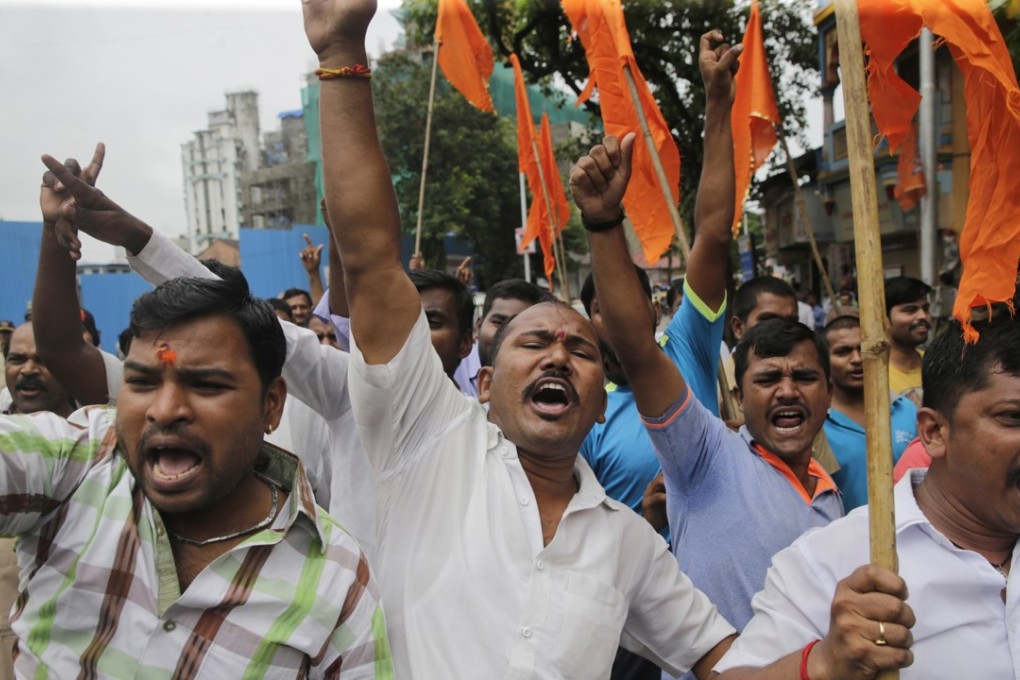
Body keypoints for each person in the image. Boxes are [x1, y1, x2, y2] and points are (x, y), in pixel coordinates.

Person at [302, 2, 738, 677]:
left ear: (600, 406)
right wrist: (340, 55)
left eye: (581, 350)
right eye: (533, 344)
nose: (560, 352)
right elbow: (368, 258)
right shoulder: (429, 439)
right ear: (481, 383)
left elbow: (722, 657)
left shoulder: (629, 544)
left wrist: (825, 659)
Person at [0, 240, 391, 676]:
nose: (165, 410)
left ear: (271, 406)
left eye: (206, 385)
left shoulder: (336, 578)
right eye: (143, 382)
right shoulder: (77, 460)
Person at [572, 134, 843, 638]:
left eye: (805, 378)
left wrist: (722, 94)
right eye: (767, 379)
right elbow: (636, 346)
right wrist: (604, 223)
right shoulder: (706, 452)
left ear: (830, 395)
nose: (787, 390)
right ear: (737, 398)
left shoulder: (832, 499)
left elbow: (717, 236)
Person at [713, 308, 1020, 678]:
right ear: (935, 431)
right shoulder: (834, 562)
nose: (788, 391)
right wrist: (824, 663)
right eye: (1012, 417)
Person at [821, 314, 916, 510]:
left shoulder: (905, 409)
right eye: (843, 352)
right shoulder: (817, 423)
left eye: (863, 349)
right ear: (824, 361)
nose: (856, 359)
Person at [452, 278, 550, 397]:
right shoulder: (450, 369)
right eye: (499, 323)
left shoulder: (545, 378)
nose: (506, 335)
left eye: (522, 327)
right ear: (478, 326)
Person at [885, 276, 932, 407]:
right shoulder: (874, 373)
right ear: (884, 319)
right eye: (910, 310)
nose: (923, 316)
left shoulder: (935, 365)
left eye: (926, 308)